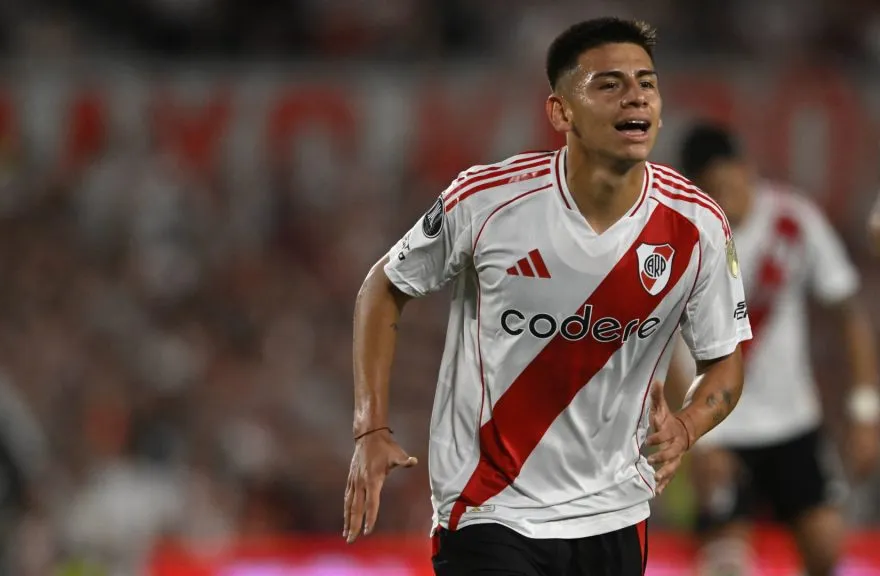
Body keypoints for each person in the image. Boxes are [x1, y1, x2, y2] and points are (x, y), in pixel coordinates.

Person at [343, 17, 752, 576]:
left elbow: (725, 360)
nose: (636, 95)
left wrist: (686, 427)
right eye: (609, 84)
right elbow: (384, 288)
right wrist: (371, 427)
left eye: (647, 83)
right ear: (561, 112)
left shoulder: (698, 225)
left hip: (614, 510)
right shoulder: (487, 202)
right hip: (489, 507)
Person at [665, 124, 880, 576]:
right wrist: (695, 437)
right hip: (720, 428)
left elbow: (848, 314)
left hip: (793, 422)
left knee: (825, 550)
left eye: (733, 183)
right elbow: (664, 346)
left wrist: (864, 411)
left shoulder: (793, 219)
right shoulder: (680, 236)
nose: (729, 197)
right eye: (714, 190)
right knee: (726, 563)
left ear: (748, 169)